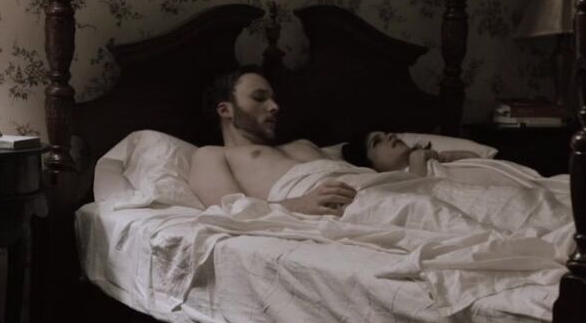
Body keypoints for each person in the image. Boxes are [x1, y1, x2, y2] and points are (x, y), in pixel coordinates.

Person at [187, 66, 358, 215]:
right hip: (343, 209)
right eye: (259, 98)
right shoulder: (212, 154)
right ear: (225, 110)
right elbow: (231, 211)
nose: (274, 107)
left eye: (273, 100)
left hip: (365, 188)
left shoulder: (303, 144)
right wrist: (298, 205)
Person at [339, 130, 480, 174]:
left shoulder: (432, 158)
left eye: (387, 133)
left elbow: (475, 159)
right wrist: (417, 158)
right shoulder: (393, 184)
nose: (391, 135)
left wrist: (441, 156)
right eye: (377, 142)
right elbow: (418, 193)